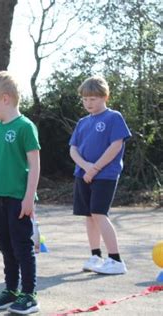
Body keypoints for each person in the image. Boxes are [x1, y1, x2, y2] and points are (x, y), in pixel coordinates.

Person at [0, 71, 41, 314]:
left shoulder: (25, 127)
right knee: (5, 246)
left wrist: (29, 197)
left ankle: (29, 294)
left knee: (22, 247)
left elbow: (34, 164)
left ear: (5, 99)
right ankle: (11, 290)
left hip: (18, 198)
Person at [69, 75, 131, 275]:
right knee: (88, 216)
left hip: (105, 175)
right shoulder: (82, 122)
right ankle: (96, 256)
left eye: (93, 99)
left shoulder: (113, 117)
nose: (88, 103)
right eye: (85, 99)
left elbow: (116, 145)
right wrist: (86, 167)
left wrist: (95, 168)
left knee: (98, 213)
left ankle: (115, 259)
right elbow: (73, 149)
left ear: (105, 97)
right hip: (83, 174)